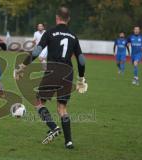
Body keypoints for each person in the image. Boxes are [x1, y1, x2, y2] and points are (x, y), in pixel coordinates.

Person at [14, 5, 87, 149]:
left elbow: (36, 51)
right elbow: (81, 59)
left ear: (57, 18)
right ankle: (69, 141)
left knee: (39, 102)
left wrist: (22, 67)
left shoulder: (50, 32)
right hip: (68, 73)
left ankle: (53, 127)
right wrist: (80, 79)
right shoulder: (73, 36)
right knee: (62, 108)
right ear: (69, 19)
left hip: (53, 71)